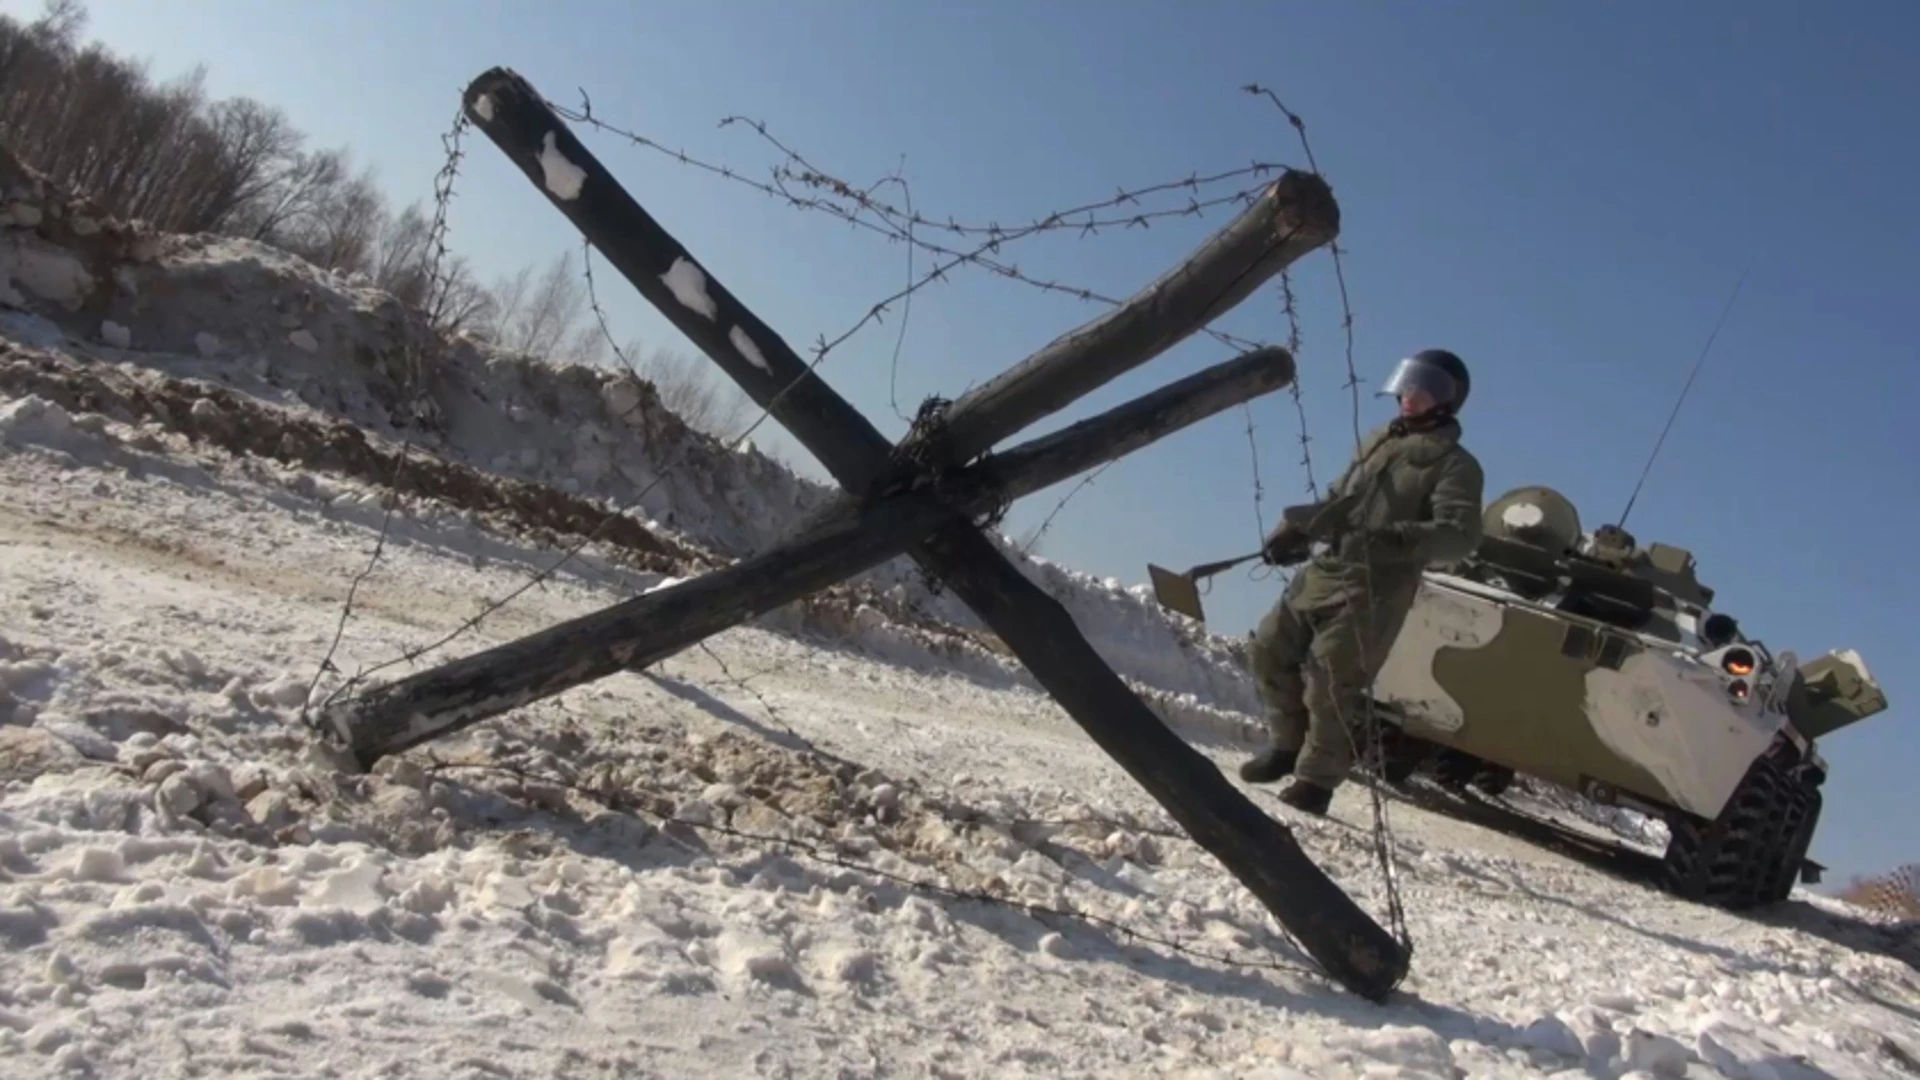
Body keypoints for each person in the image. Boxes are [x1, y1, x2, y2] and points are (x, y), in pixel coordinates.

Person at [1240, 348, 1486, 816]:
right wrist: (1296, 530)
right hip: (1327, 569)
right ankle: (1287, 747)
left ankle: (1315, 781)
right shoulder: (1377, 441)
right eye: (1410, 382)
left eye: (1426, 386)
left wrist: (1395, 538)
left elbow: (1460, 536)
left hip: (1375, 588)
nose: (1410, 394)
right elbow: (1339, 499)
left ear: (1448, 400)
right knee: (1268, 649)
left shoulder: (1456, 465)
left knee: (1331, 679)